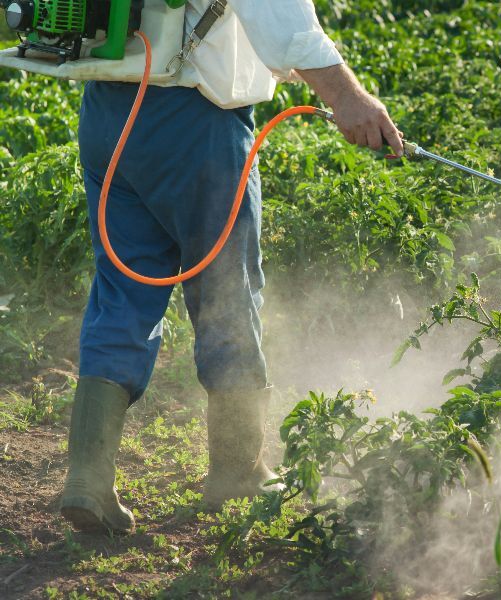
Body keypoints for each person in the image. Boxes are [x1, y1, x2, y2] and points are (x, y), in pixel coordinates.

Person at [60, 0, 403, 534]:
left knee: (121, 292)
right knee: (227, 293)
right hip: (194, 126)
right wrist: (348, 97)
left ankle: (87, 477)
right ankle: (238, 471)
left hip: (107, 115)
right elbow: (282, 21)